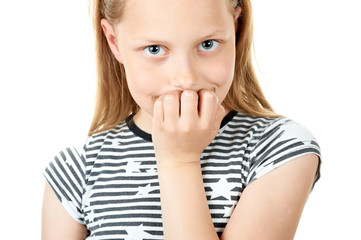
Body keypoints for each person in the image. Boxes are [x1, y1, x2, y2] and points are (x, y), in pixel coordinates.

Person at [41, 0, 321, 239]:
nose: (185, 78)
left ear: (235, 27)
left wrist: (179, 160)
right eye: (154, 49)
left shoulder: (278, 148)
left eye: (208, 44)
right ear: (114, 42)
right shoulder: (75, 170)